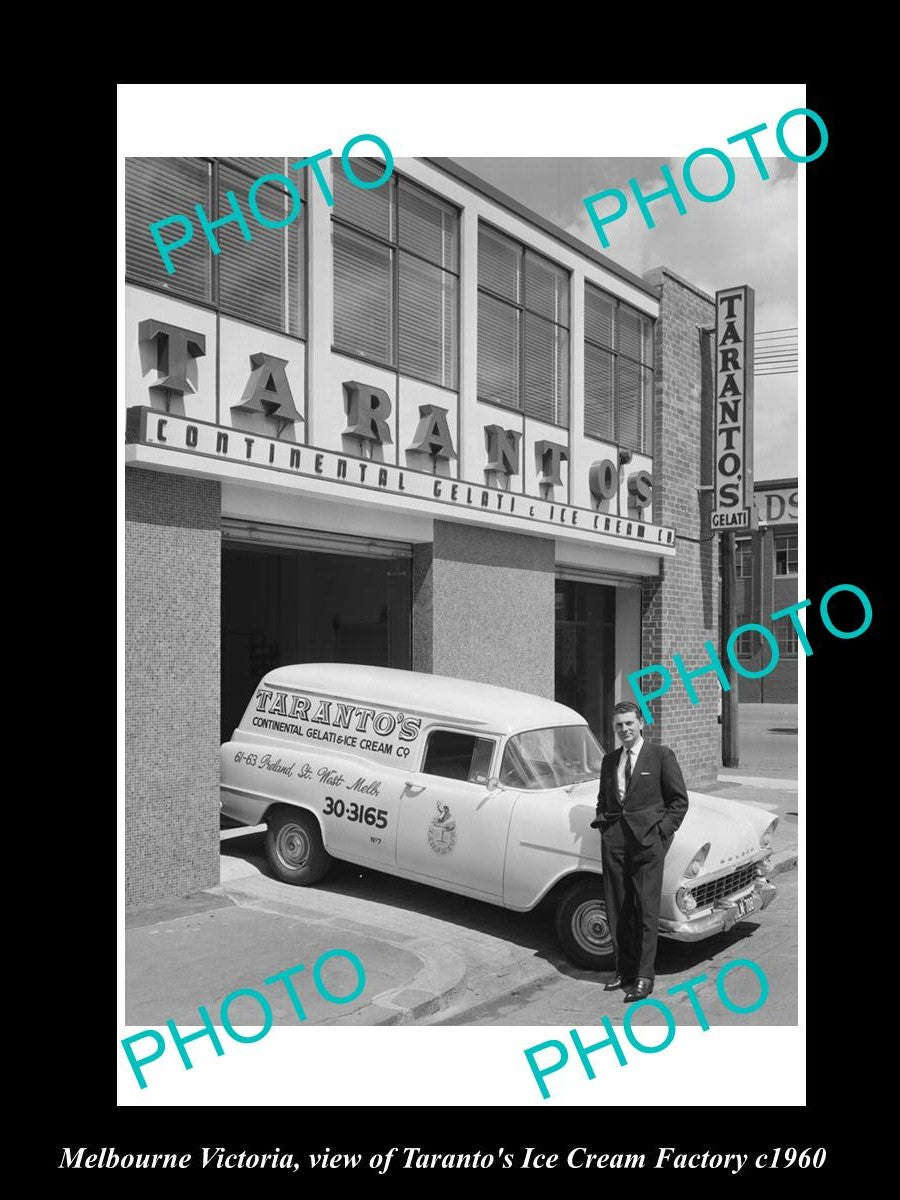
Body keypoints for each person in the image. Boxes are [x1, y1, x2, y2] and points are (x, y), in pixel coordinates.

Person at [590, 700, 689, 1001]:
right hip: (616, 845)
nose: (624, 730)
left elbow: (679, 801)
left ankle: (645, 977)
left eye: (630, 723)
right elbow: (603, 800)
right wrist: (606, 830)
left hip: (648, 845)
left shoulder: (660, 756)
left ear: (642, 723)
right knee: (617, 909)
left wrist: (661, 833)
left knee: (646, 911)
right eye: (619, 725)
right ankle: (625, 971)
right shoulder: (610, 761)